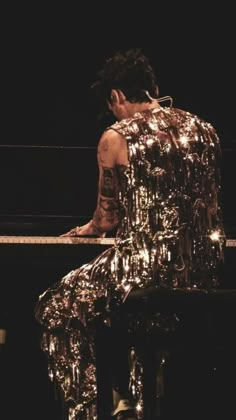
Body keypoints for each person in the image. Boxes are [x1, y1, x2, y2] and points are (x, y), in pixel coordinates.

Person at [35, 48, 226, 420]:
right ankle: (133, 401)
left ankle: (96, 409)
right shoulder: (206, 131)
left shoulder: (116, 136)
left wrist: (85, 230)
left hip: (146, 269)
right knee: (125, 313)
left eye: (112, 107)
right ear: (152, 88)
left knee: (56, 305)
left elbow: (106, 220)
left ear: (117, 97)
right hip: (205, 272)